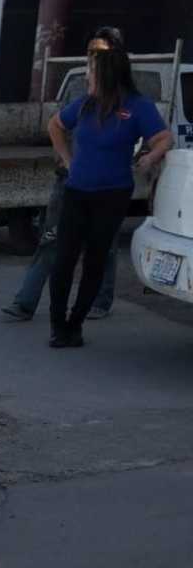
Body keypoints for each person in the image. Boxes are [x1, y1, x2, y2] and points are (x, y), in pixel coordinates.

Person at [47, 28, 172, 347]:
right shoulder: (85, 105)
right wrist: (68, 159)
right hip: (77, 192)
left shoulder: (137, 106)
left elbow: (164, 137)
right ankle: (58, 326)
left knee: (95, 261)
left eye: (92, 70)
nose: (88, 75)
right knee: (62, 260)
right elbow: (56, 125)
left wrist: (150, 157)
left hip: (112, 196)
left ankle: (75, 326)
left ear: (108, 73)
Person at [2, 167, 117, 322]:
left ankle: (100, 302)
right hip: (69, 180)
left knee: (104, 245)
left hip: (104, 182)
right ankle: (25, 303)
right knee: (49, 243)